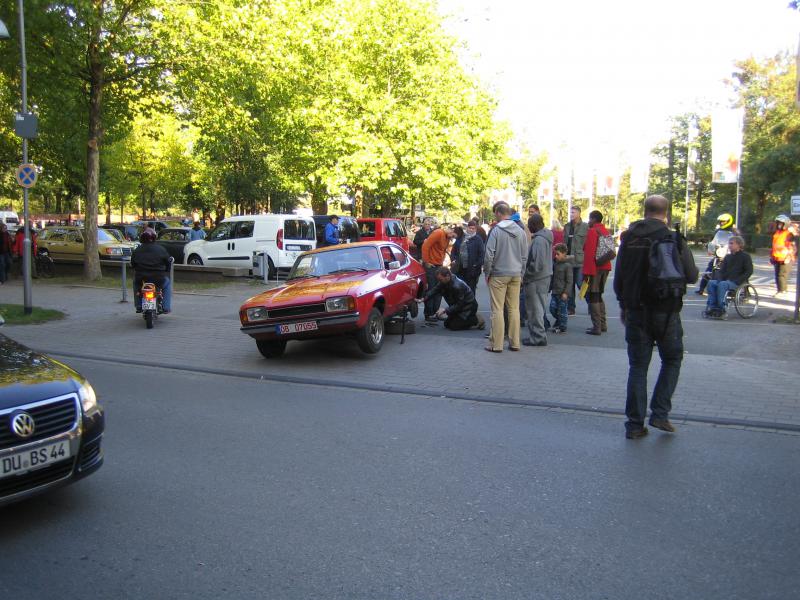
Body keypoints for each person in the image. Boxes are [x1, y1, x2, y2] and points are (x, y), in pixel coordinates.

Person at [614, 195, 698, 439]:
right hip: (666, 311)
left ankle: (634, 425)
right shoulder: (672, 238)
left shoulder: (629, 238)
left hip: (636, 310)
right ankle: (660, 413)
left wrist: (623, 305)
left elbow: (619, 277)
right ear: (666, 213)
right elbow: (691, 275)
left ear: (645, 211)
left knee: (638, 367)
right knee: (672, 359)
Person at [483, 202, 528, 352]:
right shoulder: (520, 231)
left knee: (497, 309)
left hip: (498, 274)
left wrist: (487, 273)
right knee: (514, 309)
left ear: (498, 213)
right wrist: (521, 274)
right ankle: (515, 343)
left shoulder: (496, 231)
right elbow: (524, 256)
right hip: (516, 274)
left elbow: (489, 255)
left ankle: (496, 344)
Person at [522, 214, 553, 347]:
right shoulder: (545, 237)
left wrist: (526, 275)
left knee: (535, 309)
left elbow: (537, 264)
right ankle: (537, 335)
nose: (528, 227)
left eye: (529, 225)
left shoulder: (539, 240)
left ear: (535, 225)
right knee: (538, 308)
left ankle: (538, 337)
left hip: (536, 279)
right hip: (543, 277)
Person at [704, 236, 753, 319]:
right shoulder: (728, 257)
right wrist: (719, 279)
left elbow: (749, 271)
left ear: (739, 245)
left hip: (737, 282)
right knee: (711, 283)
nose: (729, 245)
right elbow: (721, 271)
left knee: (723, 284)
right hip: (726, 281)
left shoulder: (745, 256)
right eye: (729, 243)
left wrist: (738, 280)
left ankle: (721, 309)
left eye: (731, 243)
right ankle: (712, 307)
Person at [582, 210, 613, 335]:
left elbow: (589, 253)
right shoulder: (605, 231)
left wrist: (587, 273)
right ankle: (603, 324)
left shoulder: (592, 231)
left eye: (590, 218)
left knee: (593, 295)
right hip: (605, 266)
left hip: (595, 268)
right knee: (599, 295)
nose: (588, 221)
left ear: (594, 219)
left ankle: (597, 327)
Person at [696, 213, 739, 295]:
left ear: (729, 221)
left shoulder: (735, 232)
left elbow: (740, 242)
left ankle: (743, 289)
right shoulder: (718, 231)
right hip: (720, 253)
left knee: (737, 268)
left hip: (731, 254)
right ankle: (701, 288)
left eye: (723, 221)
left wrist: (735, 249)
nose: (722, 223)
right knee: (710, 267)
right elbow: (714, 241)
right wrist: (710, 246)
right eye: (721, 221)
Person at [131, 228, 172, 313]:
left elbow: (133, 264)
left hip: (142, 279)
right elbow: (168, 262)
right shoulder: (161, 249)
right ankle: (166, 307)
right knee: (167, 284)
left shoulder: (137, 250)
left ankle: (138, 305)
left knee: (135, 284)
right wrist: (167, 270)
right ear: (154, 238)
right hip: (158, 279)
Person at [421, 225, 456, 323]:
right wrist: (426, 262)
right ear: (449, 230)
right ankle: (429, 313)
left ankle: (436, 312)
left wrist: (444, 260)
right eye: (452, 234)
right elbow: (425, 246)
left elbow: (443, 250)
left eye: (454, 236)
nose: (452, 237)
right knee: (432, 288)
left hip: (439, 264)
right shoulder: (439, 233)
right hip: (431, 265)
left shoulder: (447, 238)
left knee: (439, 289)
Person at [564, 206, 588, 315]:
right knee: (570, 284)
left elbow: (587, 243)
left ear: (579, 213)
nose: (571, 214)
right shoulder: (567, 226)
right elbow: (564, 242)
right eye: (571, 212)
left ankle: (591, 304)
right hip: (568, 259)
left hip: (579, 260)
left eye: (573, 212)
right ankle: (571, 308)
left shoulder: (585, 226)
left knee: (580, 283)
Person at [770, 214, 796, 298]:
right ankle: (780, 290)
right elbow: (774, 245)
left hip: (785, 258)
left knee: (782, 275)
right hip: (777, 257)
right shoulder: (777, 233)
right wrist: (772, 256)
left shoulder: (789, 234)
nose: (779, 225)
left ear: (785, 224)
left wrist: (788, 257)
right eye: (778, 223)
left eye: (781, 223)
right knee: (777, 275)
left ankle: (782, 291)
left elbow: (792, 246)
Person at [549, 243, 573, 333]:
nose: (556, 256)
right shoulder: (555, 264)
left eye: (558, 254)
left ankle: (562, 327)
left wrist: (566, 293)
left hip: (563, 293)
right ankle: (559, 321)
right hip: (555, 291)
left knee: (562, 310)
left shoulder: (567, 265)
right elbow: (553, 278)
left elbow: (569, 281)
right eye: (555, 254)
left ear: (564, 254)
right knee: (552, 308)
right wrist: (549, 288)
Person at [459, 220, 485, 295]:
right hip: (461, 268)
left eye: (473, 228)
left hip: (472, 269)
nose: (471, 230)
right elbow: (455, 249)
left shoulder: (478, 239)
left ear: (475, 229)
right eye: (470, 228)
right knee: (462, 289)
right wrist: (454, 259)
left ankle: (471, 302)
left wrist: (476, 265)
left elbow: (482, 254)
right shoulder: (462, 237)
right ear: (467, 228)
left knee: (471, 289)